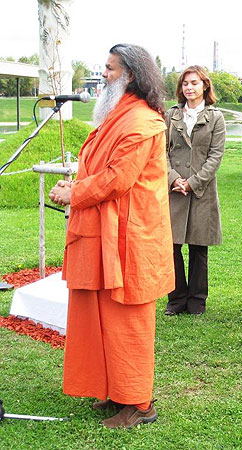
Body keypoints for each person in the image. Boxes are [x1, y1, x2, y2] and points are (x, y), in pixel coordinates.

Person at [48, 43, 174, 428]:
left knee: (126, 321)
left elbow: (119, 179)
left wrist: (75, 193)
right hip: (104, 232)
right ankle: (115, 390)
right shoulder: (118, 115)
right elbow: (103, 167)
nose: (104, 74)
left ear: (131, 75)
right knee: (99, 316)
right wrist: (79, 182)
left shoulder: (141, 121)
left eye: (110, 69)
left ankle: (139, 404)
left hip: (128, 239)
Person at [164, 66, 226, 316]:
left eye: (194, 83)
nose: (189, 87)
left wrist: (193, 182)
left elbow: (215, 156)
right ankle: (176, 298)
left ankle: (197, 300)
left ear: (205, 86)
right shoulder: (171, 116)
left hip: (201, 191)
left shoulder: (216, 118)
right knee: (172, 246)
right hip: (175, 190)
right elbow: (161, 152)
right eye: (185, 83)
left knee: (199, 247)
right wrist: (174, 179)